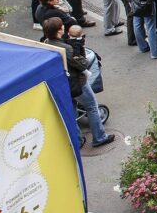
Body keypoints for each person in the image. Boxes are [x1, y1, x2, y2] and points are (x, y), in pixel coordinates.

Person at [42, 17, 114, 147]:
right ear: (59, 31)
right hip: (76, 83)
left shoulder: (46, 43)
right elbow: (82, 64)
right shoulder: (66, 48)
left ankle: (78, 139)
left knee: (72, 110)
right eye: (61, 26)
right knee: (91, 106)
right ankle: (99, 137)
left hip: (62, 84)